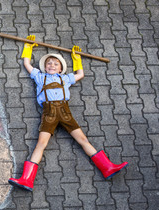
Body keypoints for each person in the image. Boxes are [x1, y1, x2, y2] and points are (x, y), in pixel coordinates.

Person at [8, 35, 128, 191]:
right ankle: (26, 179)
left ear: (60, 68)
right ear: (45, 67)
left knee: (83, 139)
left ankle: (108, 167)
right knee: (41, 144)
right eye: (48, 63)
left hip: (65, 112)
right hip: (49, 113)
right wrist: (28, 48)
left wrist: (77, 59)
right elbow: (26, 63)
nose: (51, 65)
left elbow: (80, 74)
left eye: (55, 63)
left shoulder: (65, 79)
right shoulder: (39, 76)